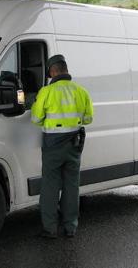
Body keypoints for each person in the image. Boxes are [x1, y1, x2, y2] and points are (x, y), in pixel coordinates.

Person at [31, 54, 94, 239]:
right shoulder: (81, 91)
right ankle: (70, 228)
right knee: (72, 186)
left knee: (50, 186)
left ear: (52, 71)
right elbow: (89, 118)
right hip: (74, 144)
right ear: (65, 69)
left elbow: (36, 119)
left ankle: (50, 229)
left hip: (53, 145)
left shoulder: (47, 92)